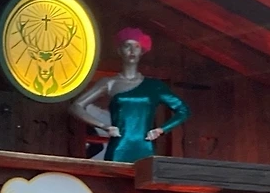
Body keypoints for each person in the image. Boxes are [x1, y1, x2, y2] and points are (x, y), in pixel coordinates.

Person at [69, 29, 189, 163]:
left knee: (144, 175)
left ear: (141, 51)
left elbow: (183, 110)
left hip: (145, 148)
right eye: (127, 46)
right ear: (119, 51)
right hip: (118, 148)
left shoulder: (154, 86)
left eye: (136, 46)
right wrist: (104, 126)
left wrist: (161, 130)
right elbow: (76, 106)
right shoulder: (109, 83)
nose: (132, 51)